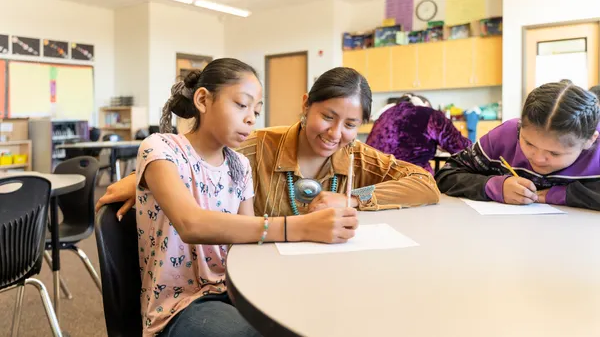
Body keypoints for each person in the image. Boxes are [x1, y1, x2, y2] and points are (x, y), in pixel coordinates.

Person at [132, 58, 360, 337]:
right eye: (242, 105)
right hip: (181, 307)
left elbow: (249, 239)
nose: (251, 117)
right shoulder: (161, 147)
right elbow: (191, 224)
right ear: (203, 100)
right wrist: (299, 227)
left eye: (256, 110)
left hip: (237, 290)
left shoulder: (239, 165)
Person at [96, 67, 440, 219]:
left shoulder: (355, 155)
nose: (335, 133)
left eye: (351, 124)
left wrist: (353, 197)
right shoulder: (258, 145)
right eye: (328, 117)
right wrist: (142, 178)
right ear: (306, 105)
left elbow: (425, 184)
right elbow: (190, 155)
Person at [435, 80, 600, 211]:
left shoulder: (596, 150)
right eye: (528, 143)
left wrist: (560, 195)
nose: (538, 159)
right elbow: (446, 175)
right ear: (520, 126)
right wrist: (495, 187)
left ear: (590, 141)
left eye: (555, 153)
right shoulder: (505, 136)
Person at [366, 93, 472, 175]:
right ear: (426, 104)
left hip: (373, 180)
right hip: (412, 181)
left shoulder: (385, 115)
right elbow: (463, 148)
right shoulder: (431, 115)